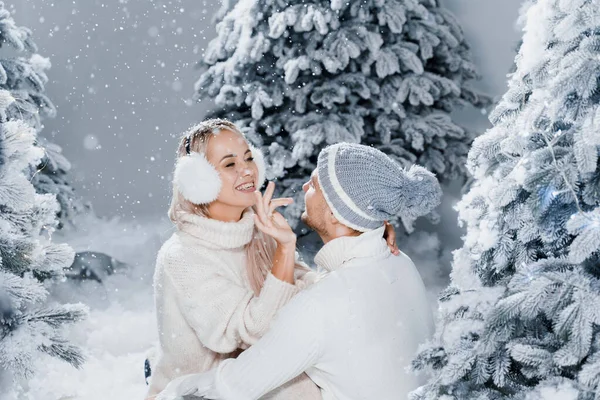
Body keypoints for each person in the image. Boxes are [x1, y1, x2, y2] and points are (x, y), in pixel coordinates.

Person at [157, 142, 442, 400]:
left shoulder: (323, 304)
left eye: (316, 185)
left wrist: (173, 391)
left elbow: (236, 385)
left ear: (334, 214)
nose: (305, 186)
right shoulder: (400, 262)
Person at [145, 119, 322, 399]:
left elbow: (308, 288)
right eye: (229, 164)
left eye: (249, 158)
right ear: (198, 180)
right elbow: (255, 330)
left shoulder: (255, 229)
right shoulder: (182, 257)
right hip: (196, 392)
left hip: (248, 377)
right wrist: (285, 249)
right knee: (302, 389)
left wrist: (360, 244)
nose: (247, 170)